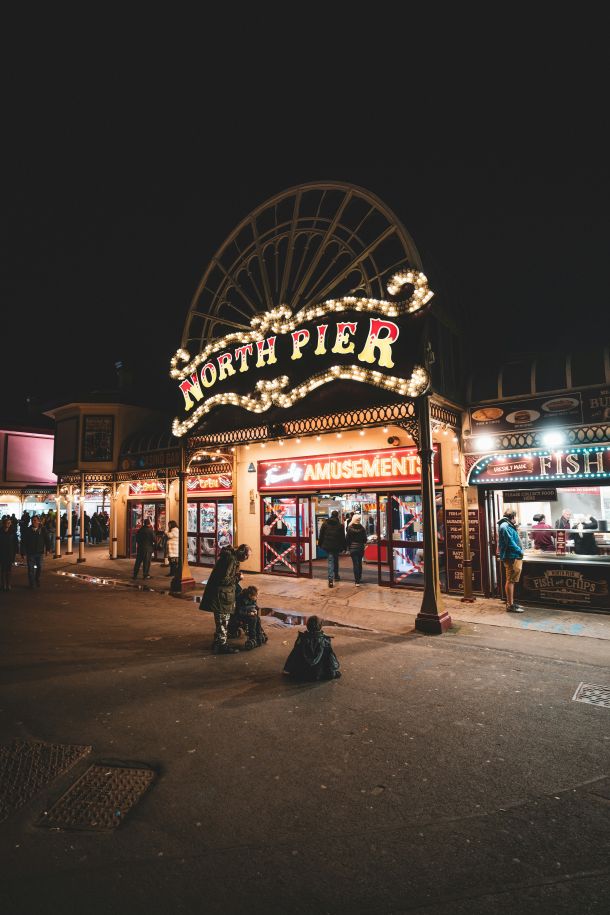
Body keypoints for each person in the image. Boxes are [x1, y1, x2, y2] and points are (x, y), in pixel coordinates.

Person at [200, 544, 252, 654]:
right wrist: (238, 577)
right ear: (243, 554)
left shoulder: (230, 558)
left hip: (221, 594)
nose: (247, 559)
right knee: (223, 620)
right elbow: (224, 579)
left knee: (222, 621)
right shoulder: (231, 560)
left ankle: (218, 642)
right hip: (221, 595)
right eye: (247, 556)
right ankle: (221, 646)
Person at [283, 615, 341, 681]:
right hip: (320, 674)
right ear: (320, 627)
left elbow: (293, 655)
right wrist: (334, 671)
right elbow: (331, 658)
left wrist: (288, 670)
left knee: (297, 652)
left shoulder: (302, 639)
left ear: (307, 626)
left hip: (301, 675)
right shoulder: (325, 640)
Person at [498, 510, 524, 613]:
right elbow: (510, 543)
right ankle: (510, 605)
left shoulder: (507, 525)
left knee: (511, 580)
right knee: (510, 580)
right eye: (515, 517)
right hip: (511, 556)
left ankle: (511, 602)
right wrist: (520, 551)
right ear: (512, 517)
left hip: (513, 555)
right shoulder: (505, 526)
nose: (516, 519)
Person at [318, 510, 346, 587]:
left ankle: (330, 579)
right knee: (336, 560)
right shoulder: (340, 525)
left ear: (331, 515)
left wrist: (320, 544)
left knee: (330, 561)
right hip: (336, 546)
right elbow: (342, 538)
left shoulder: (325, 524)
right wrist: (344, 547)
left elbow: (321, 535)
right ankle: (336, 575)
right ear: (337, 516)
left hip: (328, 545)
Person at [235, 585, 268, 650]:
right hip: (241, 616)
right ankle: (252, 637)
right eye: (255, 596)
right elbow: (238, 611)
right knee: (253, 619)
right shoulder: (241, 599)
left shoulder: (253, 599)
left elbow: (255, 606)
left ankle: (259, 634)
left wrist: (255, 610)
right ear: (250, 595)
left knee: (257, 618)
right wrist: (248, 613)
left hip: (250, 614)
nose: (256, 598)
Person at [24, 515, 46, 588]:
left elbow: (46, 539)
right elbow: (24, 541)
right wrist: (22, 552)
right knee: (30, 569)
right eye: (32, 520)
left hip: (39, 552)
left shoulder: (42, 529)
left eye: (35, 520)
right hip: (30, 552)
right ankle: (32, 583)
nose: (34, 522)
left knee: (39, 567)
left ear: (38, 521)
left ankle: (37, 579)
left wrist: (48, 549)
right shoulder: (27, 530)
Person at [345, 513, 367, 585]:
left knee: (355, 564)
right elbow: (365, 539)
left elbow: (347, 539)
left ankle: (357, 581)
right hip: (360, 548)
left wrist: (347, 548)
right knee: (360, 563)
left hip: (353, 548)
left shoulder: (350, 528)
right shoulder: (362, 528)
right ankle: (359, 578)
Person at [0, 517, 16, 591]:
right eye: (6, 522)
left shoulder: (12, 532)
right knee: (3, 569)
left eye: (9, 523)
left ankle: (8, 584)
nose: (8, 524)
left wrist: (15, 553)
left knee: (9, 569)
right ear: (3, 523)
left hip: (10, 553)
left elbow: (15, 543)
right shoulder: (0, 531)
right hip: (2, 553)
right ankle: (3, 584)